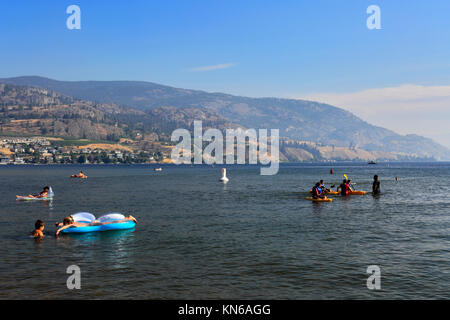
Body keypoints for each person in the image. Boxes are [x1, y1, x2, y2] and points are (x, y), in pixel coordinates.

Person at [56, 215, 138, 236]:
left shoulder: (71, 225)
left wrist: (59, 230)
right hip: (92, 223)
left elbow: (65, 226)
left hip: (93, 224)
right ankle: (127, 218)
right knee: (111, 222)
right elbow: (64, 224)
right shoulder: (73, 223)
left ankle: (128, 218)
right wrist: (59, 224)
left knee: (112, 223)